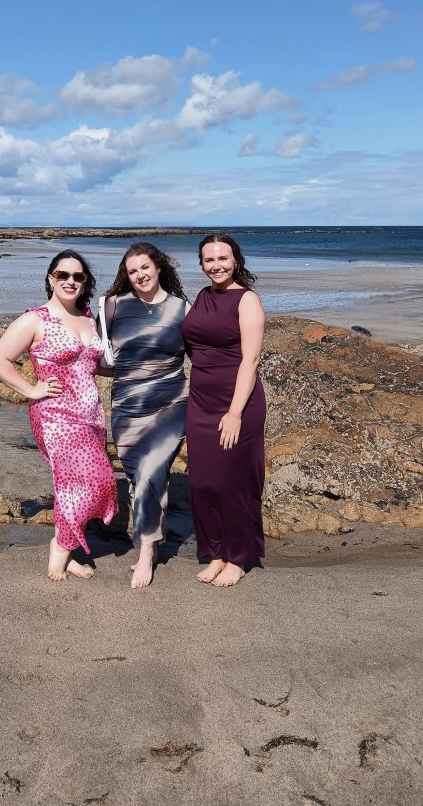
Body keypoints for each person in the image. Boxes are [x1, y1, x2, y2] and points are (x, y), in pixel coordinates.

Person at [0, 249, 118, 581]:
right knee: (85, 483)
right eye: (63, 275)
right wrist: (31, 390)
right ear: (51, 279)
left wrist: (137, 363)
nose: (70, 281)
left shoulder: (90, 319)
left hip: (90, 415)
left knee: (90, 482)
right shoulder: (36, 319)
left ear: (85, 281)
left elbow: (96, 366)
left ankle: (68, 546)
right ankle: (59, 550)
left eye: (78, 276)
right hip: (55, 416)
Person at [102, 242, 189, 588]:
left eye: (144, 267)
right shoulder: (112, 307)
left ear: (159, 267)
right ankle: (154, 527)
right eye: (132, 270)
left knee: (153, 470)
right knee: (138, 476)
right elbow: (95, 356)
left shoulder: (183, 310)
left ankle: (147, 552)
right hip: (127, 405)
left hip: (171, 403)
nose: (139, 275)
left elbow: (201, 357)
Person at [182, 234, 266, 588]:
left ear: (236, 261)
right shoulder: (201, 296)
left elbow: (251, 358)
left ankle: (239, 556)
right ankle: (215, 552)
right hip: (200, 400)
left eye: (223, 258)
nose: (216, 265)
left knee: (234, 481)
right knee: (203, 482)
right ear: (201, 264)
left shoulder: (247, 300)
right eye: (209, 260)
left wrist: (233, 413)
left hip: (238, 403)